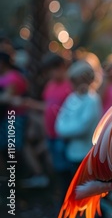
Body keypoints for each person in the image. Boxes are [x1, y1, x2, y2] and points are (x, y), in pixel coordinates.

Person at [21, 53, 73, 188]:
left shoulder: (70, 87)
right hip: (51, 134)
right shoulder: (50, 85)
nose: (50, 74)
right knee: (57, 167)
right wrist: (32, 104)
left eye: (52, 70)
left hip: (63, 136)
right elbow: (48, 106)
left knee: (66, 170)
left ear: (62, 67)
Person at [55, 61, 102, 172]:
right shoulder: (72, 98)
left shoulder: (92, 100)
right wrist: (65, 129)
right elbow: (60, 123)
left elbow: (81, 128)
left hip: (86, 154)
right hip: (71, 153)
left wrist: (66, 129)